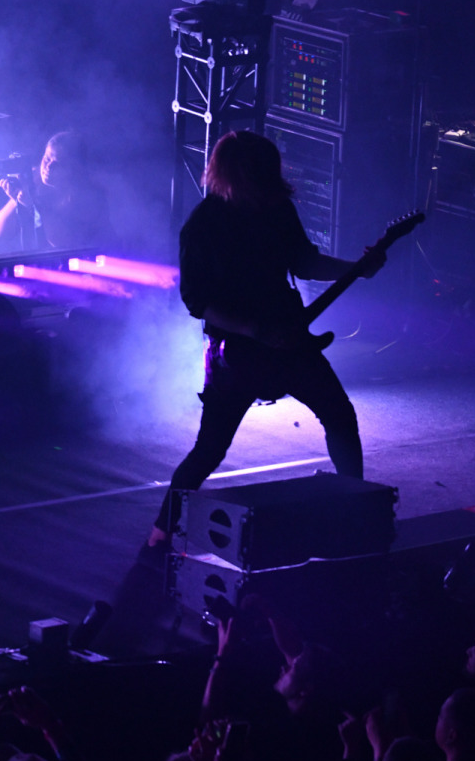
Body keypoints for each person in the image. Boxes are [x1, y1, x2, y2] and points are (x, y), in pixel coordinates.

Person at [149, 130, 383, 546]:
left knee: (340, 417)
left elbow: (304, 261)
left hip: (289, 341)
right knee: (210, 448)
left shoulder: (277, 209)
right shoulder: (203, 225)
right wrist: (254, 330)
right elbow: (197, 302)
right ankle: (160, 532)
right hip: (238, 353)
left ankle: (356, 506)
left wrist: (355, 269)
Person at [0, 130, 93, 249]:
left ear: (74, 169)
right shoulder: (35, 183)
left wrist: (33, 205)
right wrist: (15, 200)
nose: (49, 167)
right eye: (47, 159)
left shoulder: (86, 196)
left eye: (59, 163)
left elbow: (65, 242)